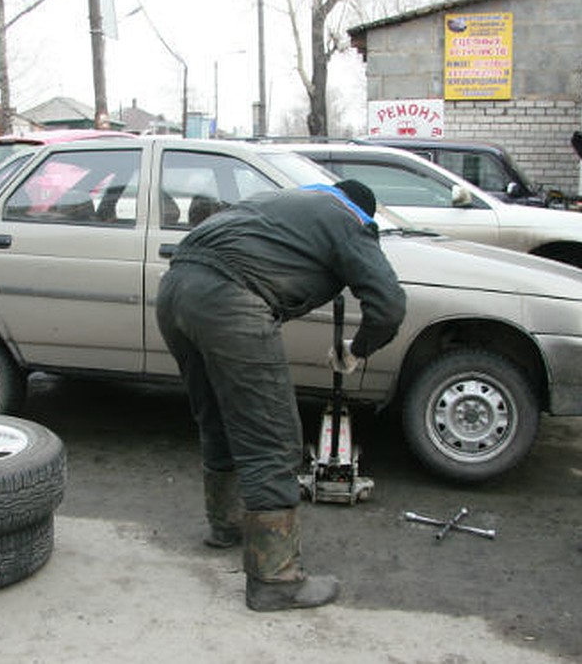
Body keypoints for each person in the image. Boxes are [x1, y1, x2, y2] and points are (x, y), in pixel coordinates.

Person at [156, 179, 406, 612]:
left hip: (175, 288)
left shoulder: (279, 202)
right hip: (228, 299)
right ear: (364, 211)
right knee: (271, 438)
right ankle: (276, 579)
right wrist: (357, 350)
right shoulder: (349, 220)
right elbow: (388, 306)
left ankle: (227, 526)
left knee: (216, 414)